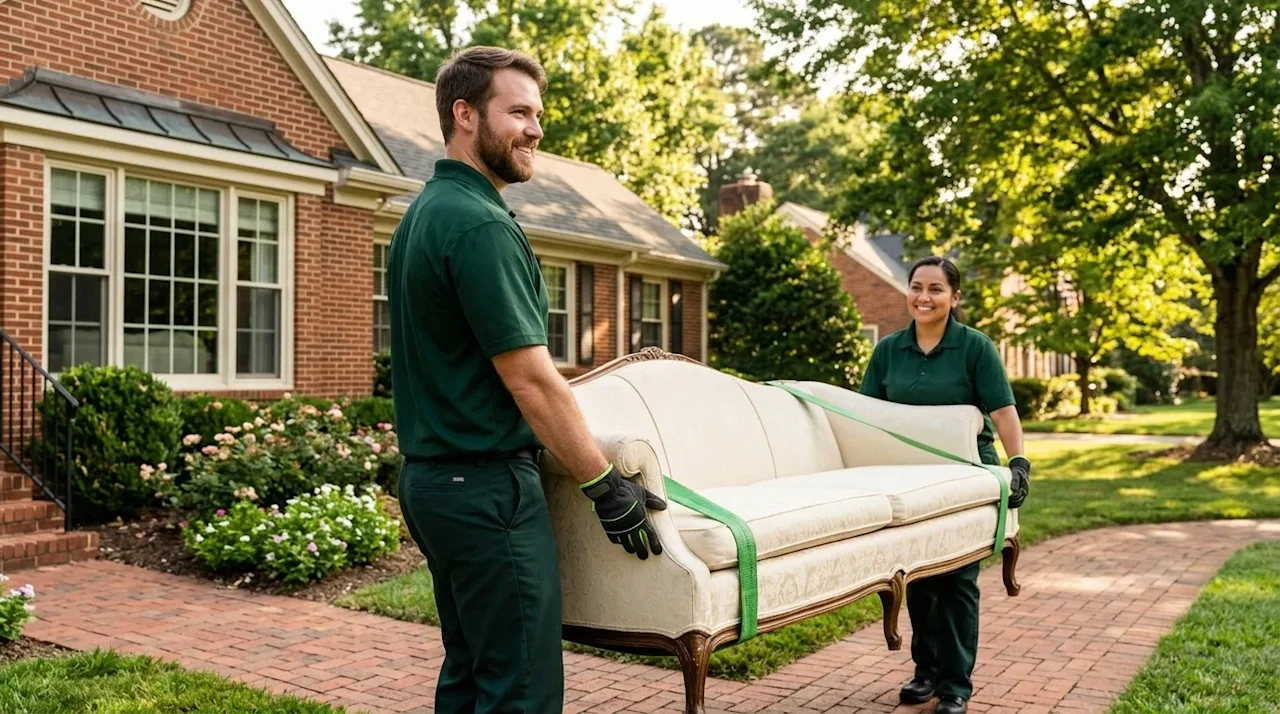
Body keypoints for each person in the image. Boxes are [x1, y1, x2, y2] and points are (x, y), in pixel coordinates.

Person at [387, 46, 668, 714]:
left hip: (435, 486)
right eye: (518, 113)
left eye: (537, 115)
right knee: (520, 689)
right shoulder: (480, 224)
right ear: (465, 114)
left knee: (471, 676)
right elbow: (532, 381)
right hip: (486, 493)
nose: (535, 130)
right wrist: (604, 485)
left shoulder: (423, 214)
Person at [858, 255, 1031, 714]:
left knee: (956, 581)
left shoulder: (975, 348)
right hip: (911, 478)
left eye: (936, 289)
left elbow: (1003, 412)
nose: (924, 297)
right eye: (917, 287)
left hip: (968, 477)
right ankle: (927, 672)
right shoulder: (888, 350)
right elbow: (866, 416)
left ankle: (955, 686)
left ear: (954, 298)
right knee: (919, 577)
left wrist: (1018, 463)